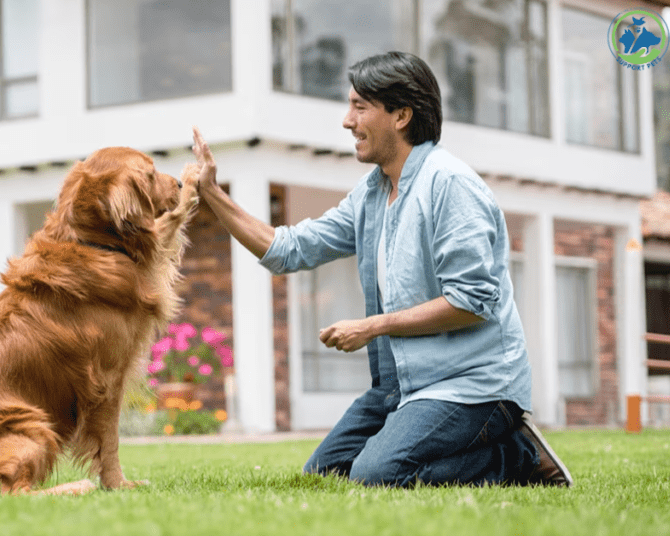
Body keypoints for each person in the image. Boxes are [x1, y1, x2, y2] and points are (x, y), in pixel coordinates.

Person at [190, 51, 572, 487]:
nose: (347, 121)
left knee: (377, 475)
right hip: (401, 386)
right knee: (325, 475)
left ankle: (516, 456)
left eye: (359, 106)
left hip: (474, 386)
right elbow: (289, 249)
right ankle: (481, 448)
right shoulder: (372, 195)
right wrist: (213, 194)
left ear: (401, 115)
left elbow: (472, 302)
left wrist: (373, 326)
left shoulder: (450, 186)